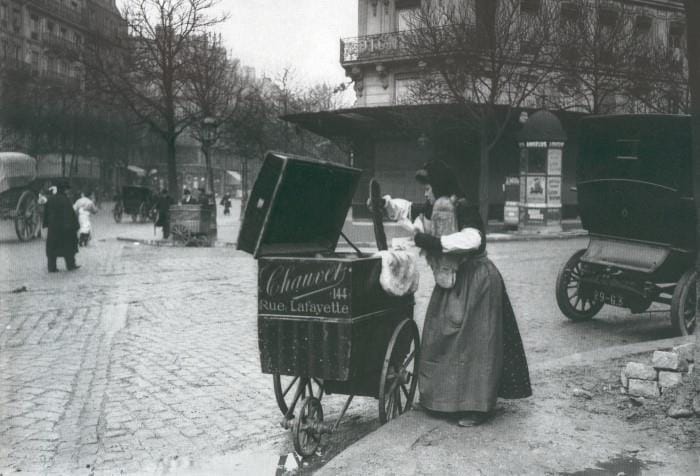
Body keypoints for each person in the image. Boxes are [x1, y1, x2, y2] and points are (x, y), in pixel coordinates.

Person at [378, 160, 531, 427]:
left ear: (440, 186)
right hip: (451, 281)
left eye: (428, 188)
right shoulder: (434, 208)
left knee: (474, 345)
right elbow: (407, 210)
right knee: (440, 336)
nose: (425, 193)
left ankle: (475, 407)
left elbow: (474, 239)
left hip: (477, 281)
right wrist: (385, 205)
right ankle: (440, 400)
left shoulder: (463, 207)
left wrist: (436, 243)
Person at [43, 179, 80, 272]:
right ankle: (70, 265)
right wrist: (75, 226)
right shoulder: (65, 200)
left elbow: (46, 214)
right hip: (65, 228)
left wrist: (46, 225)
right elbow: (70, 214)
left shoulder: (50, 199)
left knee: (52, 249)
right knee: (68, 247)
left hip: (53, 229)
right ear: (64, 190)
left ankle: (52, 267)